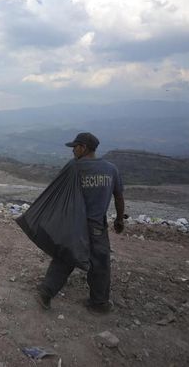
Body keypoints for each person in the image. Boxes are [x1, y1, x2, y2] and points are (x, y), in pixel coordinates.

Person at [36, 132, 125, 313]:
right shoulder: (111, 169)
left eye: (74, 147)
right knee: (100, 263)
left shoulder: (74, 167)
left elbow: (57, 191)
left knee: (65, 257)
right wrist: (119, 219)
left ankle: (46, 292)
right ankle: (99, 303)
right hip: (98, 227)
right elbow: (119, 197)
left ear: (83, 148)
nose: (73, 151)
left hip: (75, 225)